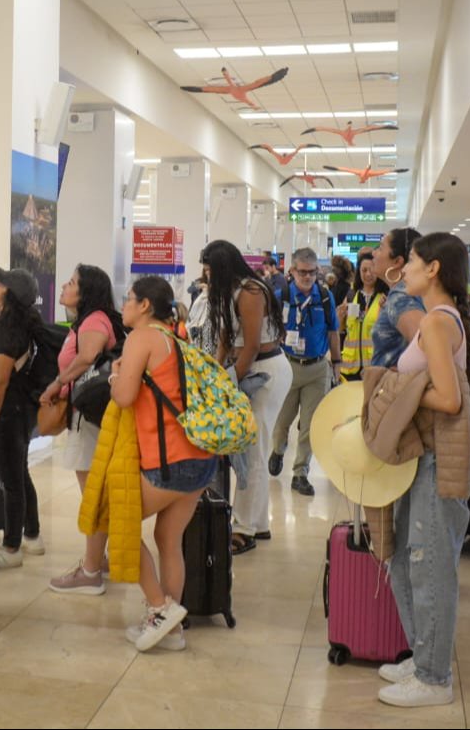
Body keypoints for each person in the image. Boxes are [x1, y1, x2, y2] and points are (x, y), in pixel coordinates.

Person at [377, 232, 470, 708]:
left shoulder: (437, 323)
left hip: (438, 457)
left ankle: (434, 677)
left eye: (413, 261)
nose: (406, 268)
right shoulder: (438, 320)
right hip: (424, 456)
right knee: (405, 558)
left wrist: (399, 391)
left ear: (433, 268)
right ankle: (422, 657)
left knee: (429, 566)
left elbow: (450, 398)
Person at [109, 276, 217, 652]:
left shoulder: (141, 337)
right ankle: (172, 631)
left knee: (116, 521)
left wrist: (114, 377)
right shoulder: (174, 336)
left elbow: (123, 396)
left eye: (128, 299)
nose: (123, 304)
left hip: (168, 460)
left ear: (144, 306)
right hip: (200, 456)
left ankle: (159, 608)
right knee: (168, 540)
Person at [202, 239, 290, 555]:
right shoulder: (227, 293)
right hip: (246, 370)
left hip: (265, 372)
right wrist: (214, 373)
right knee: (254, 446)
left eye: (210, 270)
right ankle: (259, 522)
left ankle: (243, 529)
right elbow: (227, 338)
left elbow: (252, 345)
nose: (207, 276)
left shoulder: (251, 292)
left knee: (253, 450)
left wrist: (230, 382)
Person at [41, 264, 124, 596]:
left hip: (89, 420)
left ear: (86, 291)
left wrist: (56, 383)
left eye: (72, 282)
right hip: (89, 418)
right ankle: (97, 559)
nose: (64, 285)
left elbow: (88, 356)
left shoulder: (94, 321)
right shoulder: (95, 320)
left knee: (93, 497)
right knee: (96, 494)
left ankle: (90, 572)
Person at [0, 265, 45, 570]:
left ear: (11, 293)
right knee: (20, 472)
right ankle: (32, 535)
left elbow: (0, 380)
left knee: (10, 481)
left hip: (8, 412)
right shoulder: (17, 323)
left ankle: (12, 547)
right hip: (21, 410)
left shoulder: (7, 328)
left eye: (0, 281)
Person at [267, 247, 340, 496]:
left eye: (311, 272)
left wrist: (337, 364)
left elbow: (333, 332)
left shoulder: (325, 298)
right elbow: (269, 329)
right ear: (292, 271)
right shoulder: (281, 296)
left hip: (317, 368)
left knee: (310, 425)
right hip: (287, 366)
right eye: (302, 272)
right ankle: (277, 450)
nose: (307, 277)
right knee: (282, 421)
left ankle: (300, 473)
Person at [370, 227, 425, 370]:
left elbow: (428, 348)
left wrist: (400, 371)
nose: (373, 252)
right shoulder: (403, 294)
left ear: (397, 261)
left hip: (395, 389)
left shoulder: (400, 297)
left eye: (380, 248)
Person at [338, 250, 388, 382]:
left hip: (374, 366)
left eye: (372, 270)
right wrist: (339, 317)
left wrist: (386, 310)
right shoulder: (351, 296)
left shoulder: (384, 297)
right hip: (350, 367)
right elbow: (341, 329)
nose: (368, 274)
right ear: (358, 272)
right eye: (364, 270)